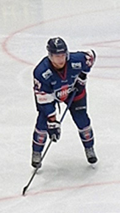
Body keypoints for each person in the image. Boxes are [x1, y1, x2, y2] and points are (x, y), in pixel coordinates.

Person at [32, 37, 96, 169]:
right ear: (50, 56)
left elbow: (90, 56)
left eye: (62, 55)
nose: (60, 59)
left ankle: (89, 148)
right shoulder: (41, 72)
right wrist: (52, 121)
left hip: (74, 92)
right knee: (43, 123)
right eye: (57, 56)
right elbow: (44, 99)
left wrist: (82, 77)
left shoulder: (76, 60)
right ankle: (37, 152)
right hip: (50, 96)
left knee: (83, 120)